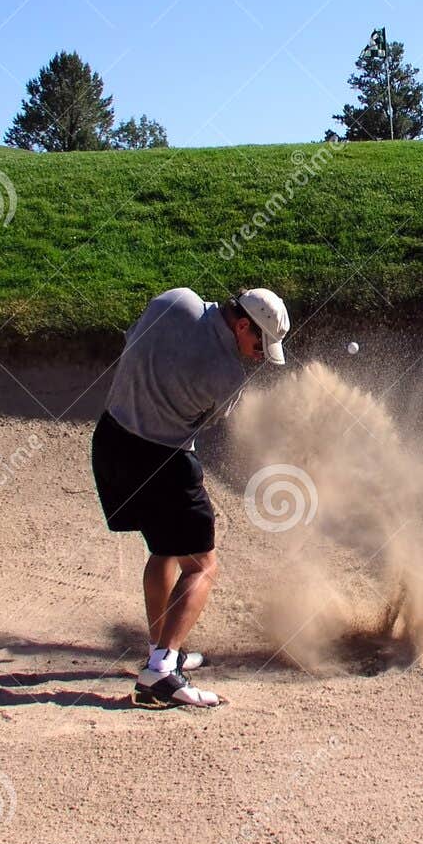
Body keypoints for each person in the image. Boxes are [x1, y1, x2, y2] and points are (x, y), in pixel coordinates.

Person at [91, 286, 289, 708]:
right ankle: (161, 674)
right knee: (201, 565)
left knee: (163, 551)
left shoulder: (173, 301)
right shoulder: (228, 378)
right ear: (241, 324)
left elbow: (132, 341)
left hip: (111, 443)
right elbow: (203, 422)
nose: (258, 355)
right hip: (164, 463)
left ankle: (159, 651)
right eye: (259, 344)